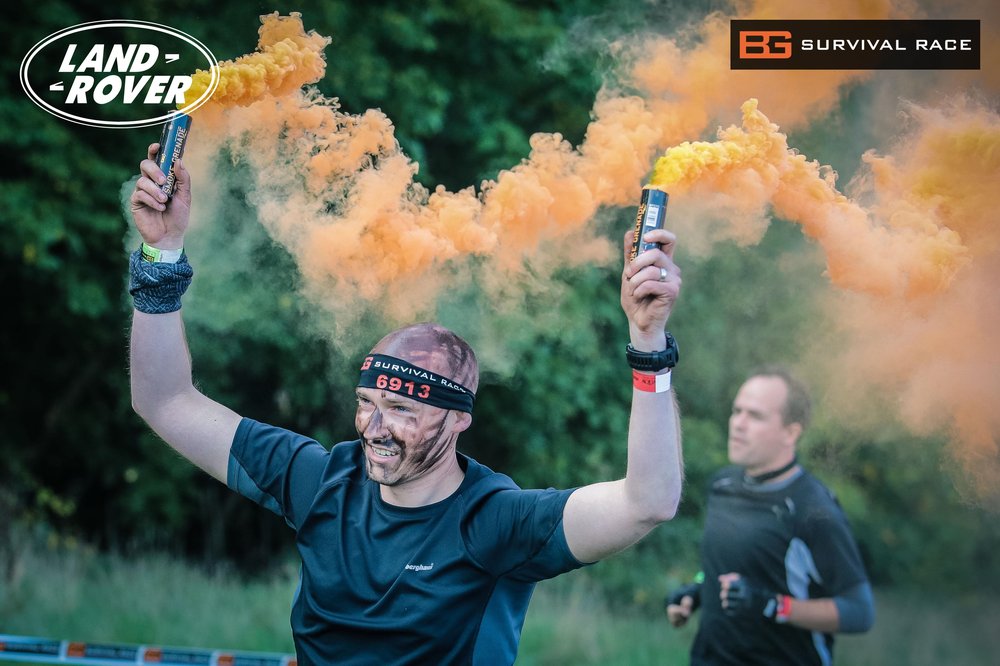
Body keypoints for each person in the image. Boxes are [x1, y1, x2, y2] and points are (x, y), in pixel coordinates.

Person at [126, 144, 684, 665]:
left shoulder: (494, 520)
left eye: (403, 410)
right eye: (367, 402)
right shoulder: (321, 481)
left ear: (459, 418)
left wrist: (649, 344)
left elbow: (649, 502)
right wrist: (160, 252)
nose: (375, 427)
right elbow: (165, 401)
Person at [665, 366, 874, 666]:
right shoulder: (722, 485)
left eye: (755, 416)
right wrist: (697, 589)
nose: (738, 424)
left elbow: (860, 612)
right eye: (736, 411)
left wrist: (773, 605)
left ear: (791, 432)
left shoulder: (815, 510)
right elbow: (726, 568)